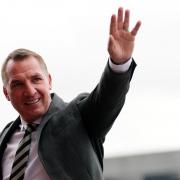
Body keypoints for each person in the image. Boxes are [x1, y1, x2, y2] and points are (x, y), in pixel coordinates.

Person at [0, 7, 141, 180]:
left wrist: (119, 64)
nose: (30, 91)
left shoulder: (78, 117)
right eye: (18, 84)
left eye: (36, 79)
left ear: (49, 81)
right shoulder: (6, 136)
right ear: (6, 93)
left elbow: (107, 99)